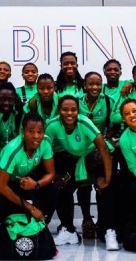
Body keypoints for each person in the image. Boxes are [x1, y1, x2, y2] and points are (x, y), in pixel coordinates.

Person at [0, 112, 58, 257]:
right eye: (31, 131)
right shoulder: (13, 149)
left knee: (52, 190)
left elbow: (51, 174)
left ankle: (41, 230)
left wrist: (36, 184)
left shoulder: (45, 143)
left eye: (40, 132)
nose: (36, 136)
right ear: (23, 131)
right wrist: (30, 208)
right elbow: (0, 186)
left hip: (21, 179)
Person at [46, 95, 113, 246]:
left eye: (73, 110)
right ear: (59, 110)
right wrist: (54, 174)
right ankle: (69, 231)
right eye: (65, 110)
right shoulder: (52, 125)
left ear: (78, 111)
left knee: (105, 188)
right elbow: (45, 151)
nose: (69, 113)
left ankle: (109, 231)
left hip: (95, 157)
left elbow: (103, 148)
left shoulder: (84, 122)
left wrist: (107, 179)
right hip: (77, 159)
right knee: (62, 188)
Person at [77, 71, 115, 239]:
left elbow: (115, 123)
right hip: (81, 149)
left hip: (100, 151)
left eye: (98, 84)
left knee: (101, 184)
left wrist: (108, 135)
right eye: (91, 84)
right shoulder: (76, 102)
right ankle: (87, 220)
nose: (95, 87)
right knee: (83, 185)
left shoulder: (108, 101)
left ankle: (102, 222)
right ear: (84, 85)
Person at [0, 82, 23, 165]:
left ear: (14, 99)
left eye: (10, 100)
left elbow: (22, 137)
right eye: (2, 99)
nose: (6, 103)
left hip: (16, 154)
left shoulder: (20, 113)